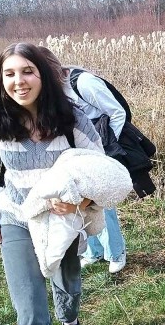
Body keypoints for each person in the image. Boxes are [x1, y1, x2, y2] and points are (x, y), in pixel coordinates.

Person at [0, 42, 103, 325]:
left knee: (68, 293)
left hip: (61, 221)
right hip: (16, 215)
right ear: (1, 79)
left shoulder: (71, 118)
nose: (19, 81)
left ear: (42, 75)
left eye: (27, 71)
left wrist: (82, 202)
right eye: (9, 74)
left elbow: (99, 169)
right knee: (29, 310)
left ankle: (69, 320)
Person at [60, 64, 129, 273]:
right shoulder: (53, 91)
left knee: (102, 201)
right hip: (74, 152)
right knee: (78, 202)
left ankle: (116, 253)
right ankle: (93, 251)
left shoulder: (84, 82)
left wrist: (106, 147)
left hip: (99, 149)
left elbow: (118, 113)